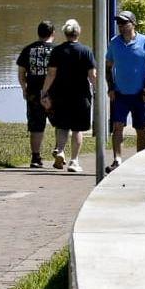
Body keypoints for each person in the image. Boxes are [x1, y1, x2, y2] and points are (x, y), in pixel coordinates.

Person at [40, 19, 96, 174]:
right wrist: (98, 91)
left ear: (65, 33)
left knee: (62, 126)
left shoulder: (57, 51)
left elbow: (51, 73)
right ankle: (74, 161)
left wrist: (44, 91)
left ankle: (60, 150)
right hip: (81, 95)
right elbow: (92, 75)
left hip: (61, 94)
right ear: (78, 32)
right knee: (78, 130)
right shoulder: (86, 51)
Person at [107, 10, 145, 173]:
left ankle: (140, 159)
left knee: (140, 128)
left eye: (125, 23)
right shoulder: (114, 43)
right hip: (120, 94)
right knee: (117, 126)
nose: (121, 26)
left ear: (133, 23)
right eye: (119, 23)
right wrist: (111, 87)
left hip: (140, 95)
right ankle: (117, 159)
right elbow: (108, 66)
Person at [15, 21, 55, 168]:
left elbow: (21, 73)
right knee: (60, 124)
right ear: (53, 33)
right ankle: (59, 151)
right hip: (54, 94)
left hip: (33, 93)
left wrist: (24, 88)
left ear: (38, 33)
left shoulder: (28, 49)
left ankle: (36, 157)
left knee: (36, 126)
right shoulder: (57, 50)